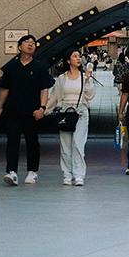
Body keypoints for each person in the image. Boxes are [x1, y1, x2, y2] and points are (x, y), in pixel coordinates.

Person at [0, 34, 54, 186]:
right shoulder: (11, 67)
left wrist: (42, 108)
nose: (31, 44)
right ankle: (11, 172)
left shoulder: (40, 67)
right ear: (19, 47)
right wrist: (0, 107)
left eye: (33, 43)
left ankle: (32, 172)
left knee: (32, 141)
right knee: (12, 141)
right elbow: (4, 88)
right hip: (13, 110)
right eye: (27, 42)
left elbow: (44, 89)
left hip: (33, 111)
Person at [46, 50, 96, 186]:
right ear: (68, 61)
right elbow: (54, 97)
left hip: (81, 113)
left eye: (79, 56)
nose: (78, 58)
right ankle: (67, 174)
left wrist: (88, 79)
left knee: (78, 145)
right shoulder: (62, 78)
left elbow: (90, 95)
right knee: (65, 146)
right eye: (75, 56)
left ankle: (79, 175)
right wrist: (44, 110)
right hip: (65, 113)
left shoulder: (84, 77)